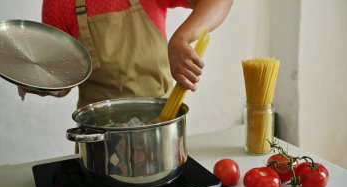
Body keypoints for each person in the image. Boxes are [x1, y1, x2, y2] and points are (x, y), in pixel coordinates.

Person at [19, 0, 233, 109]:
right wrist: (45, 83)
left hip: (160, 126)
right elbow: (63, 79)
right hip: (98, 135)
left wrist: (182, 38)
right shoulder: (58, 2)